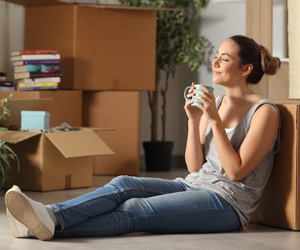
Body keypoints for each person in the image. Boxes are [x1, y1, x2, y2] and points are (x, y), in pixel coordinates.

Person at [5, 35, 281, 241]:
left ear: (245, 69)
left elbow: (234, 172)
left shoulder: (264, 112)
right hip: (193, 185)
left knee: (135, 210)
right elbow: (195, 168)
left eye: (225, 58)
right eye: (217, 55)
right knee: (124, 184)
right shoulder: (217, 103)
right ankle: (49, 216)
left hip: (228, 205)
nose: (215, 62)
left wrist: (213, 120)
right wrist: (194, 120)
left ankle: (37, 226)